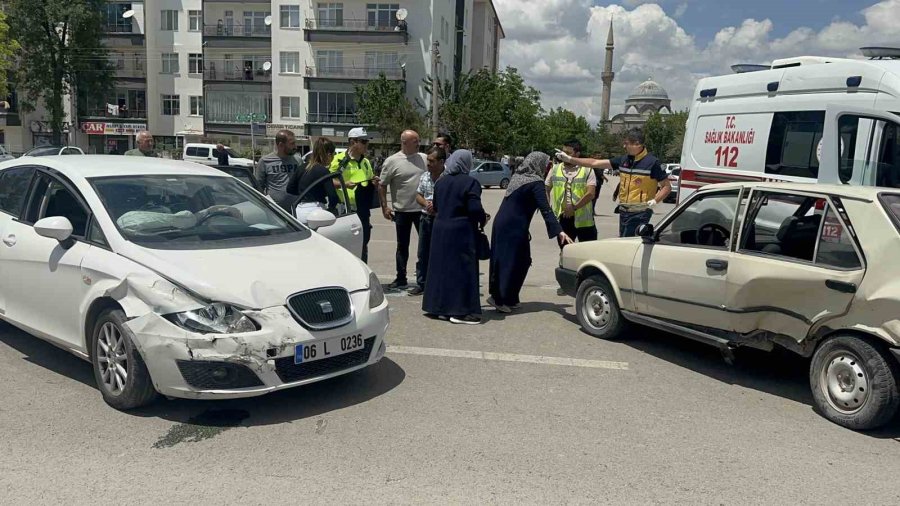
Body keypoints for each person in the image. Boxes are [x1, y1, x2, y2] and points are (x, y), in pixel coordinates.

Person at [489, 152, 573, 313]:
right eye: (547, 165)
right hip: (512, 226)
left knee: (521, 260)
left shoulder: (519, 177)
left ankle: (510, 297)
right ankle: (498, 298)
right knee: (508, 261)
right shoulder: (536, 183)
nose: (548, 168)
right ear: (539, 164)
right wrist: (559, 231)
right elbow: (545, 209)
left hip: (506, 224)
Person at [556, 128, 671, 237]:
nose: (624, 146)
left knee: (629, 243)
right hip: (624, 211)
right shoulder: (624, 160)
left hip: (640, 212)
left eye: (626, 143)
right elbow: (595, 162)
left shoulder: (652, 163)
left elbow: (666, 187)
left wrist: (655, 201)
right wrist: (570, 159)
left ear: (637, 144)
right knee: (626, 242)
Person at [422, 150, 488, 325]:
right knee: (463, 270)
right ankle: (462, 312)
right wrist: (483, 218)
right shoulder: (470, 183)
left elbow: (436, 206)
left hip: (440, 229)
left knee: (441, 269)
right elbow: (474, 209)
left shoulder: (441, 182)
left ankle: (438, 308)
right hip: (461, 231)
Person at [379, 130, 426, 289]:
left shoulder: (424, 159)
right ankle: (401, 277)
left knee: (425, 246)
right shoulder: (392, 161)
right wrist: (385, 206)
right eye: (415, 141)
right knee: (402, 246)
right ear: (404, 142)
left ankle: (424, 279)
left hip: (422, 211)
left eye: (418, 141)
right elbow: (382, 184)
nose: (418, 144)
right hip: (402, 211)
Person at [330, 127, 377, 262]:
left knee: (363, 242)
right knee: (344, 246)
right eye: (363, 141)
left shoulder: (366, 162)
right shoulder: (339, 159)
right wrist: (343, 184)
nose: (366, 144)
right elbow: (328, 180)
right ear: (352, 142)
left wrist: (374, 181)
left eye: (367, 141)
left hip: (362, 209)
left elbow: (368, 178)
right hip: (344, 209)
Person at [545, 139, 597, 248]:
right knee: (565, 252)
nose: (564, 155)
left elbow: (591, 193)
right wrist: (549, 210)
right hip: (563, 219)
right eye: (563, 152)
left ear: (577, 154)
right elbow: (546, 188)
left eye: (568, 153)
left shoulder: (587, 169)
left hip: (584, 221)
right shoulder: (555, 169)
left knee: (588, 252)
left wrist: (573, 208)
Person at [410, 146, 446, 296]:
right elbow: (418, 195)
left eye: (432, 161)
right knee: (423, 253)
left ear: (441, 162)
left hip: (441, 220)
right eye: (428, 161)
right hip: (426, 219)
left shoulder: (448, 177)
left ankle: (439, 283)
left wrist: (438, 207)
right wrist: (426, 204)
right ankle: (422, 283)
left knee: (441, 254)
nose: (428, 164)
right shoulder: (425, 176)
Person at [287, 137, 341, 224]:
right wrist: (331, 209)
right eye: (333, 154)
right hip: (316, 212)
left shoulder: (302, 167)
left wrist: (305, 194)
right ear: (328, 154)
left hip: (299, 211)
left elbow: (290, 188)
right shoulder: (323, 171)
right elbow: (333, 196)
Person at [255, 129, 301, 212]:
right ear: (281, 145)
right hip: (275, 212)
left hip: (297, 209)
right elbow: (258, 186)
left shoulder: (298, 160)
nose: (295, 147)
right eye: (292, 144)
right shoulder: (265, 161)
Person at [590, 151, 610, 216]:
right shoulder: (594, 163)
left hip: (598, 182)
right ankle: (591, 211)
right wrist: (605, 178)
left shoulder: (599, 163)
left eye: (600, 155)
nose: (599, 157)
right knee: (593, 197)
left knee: (595, 197)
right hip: (595, 182)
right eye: (598, 155)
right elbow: (599, 173)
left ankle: (592, 210)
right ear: (594, 156)